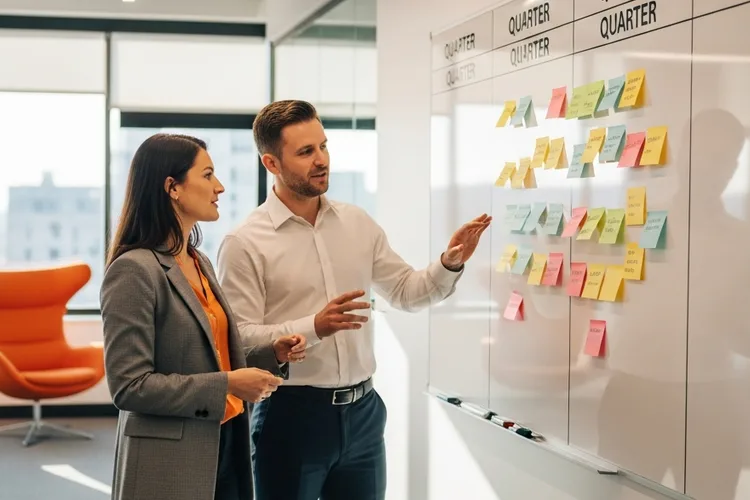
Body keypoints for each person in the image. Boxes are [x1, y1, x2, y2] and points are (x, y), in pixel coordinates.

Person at [216, 100, 491, 500]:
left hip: (364, 414)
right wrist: (314, 326)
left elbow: (406, 292)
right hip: (292, 415)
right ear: (271, 164)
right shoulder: (244, 242)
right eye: (306, 152)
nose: (321, 160)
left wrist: (448, 263)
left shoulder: (357, 223)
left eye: (323, 146)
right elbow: (239, 337)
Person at [100, 133, 308, 500]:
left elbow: (210, 353)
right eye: (208, 175)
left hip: (224, 441)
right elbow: (129, 386)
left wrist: (270, 354)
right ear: (172, 188)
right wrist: (227, 384)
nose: (220, 187)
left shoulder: (199, 262)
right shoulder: (134, 270)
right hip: (169, 462)